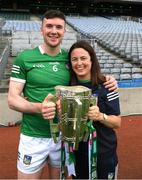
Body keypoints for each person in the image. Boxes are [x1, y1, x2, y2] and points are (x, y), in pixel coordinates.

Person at [8, 9, 118, 179]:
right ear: (42, 29)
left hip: (63, 137)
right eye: (49, 26)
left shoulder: (70, 59)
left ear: (64, 31)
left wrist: (109, 79)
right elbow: (12, 99)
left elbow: (87, 74)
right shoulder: (25, 58)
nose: (54, 31)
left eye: (59, 27)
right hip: (33, 136)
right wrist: (39, 108)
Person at [68, 40, 121, 179]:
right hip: (78, 154)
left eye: (83, 58)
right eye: (74, 59)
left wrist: (100, 116)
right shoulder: (67, 88)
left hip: (104, 154)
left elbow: (117, 122)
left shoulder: (108, 85)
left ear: (92, 60)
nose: (79, 63)